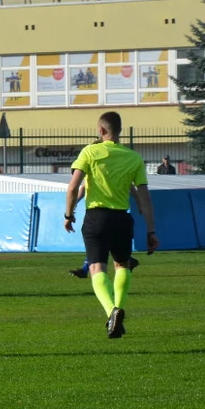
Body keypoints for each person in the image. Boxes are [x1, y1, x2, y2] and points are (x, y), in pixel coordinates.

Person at [64, 111, 158, 339]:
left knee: (96, 268)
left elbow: (73, 187)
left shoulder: (90, 152)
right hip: (122, 219)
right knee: (123, 266)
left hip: (96, 217)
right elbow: (144, 197)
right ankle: (119, 310)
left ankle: (111, 311)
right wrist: (151, 230)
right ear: (120, 130)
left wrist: (68, 214)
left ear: (101, 130)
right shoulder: (133, 158)